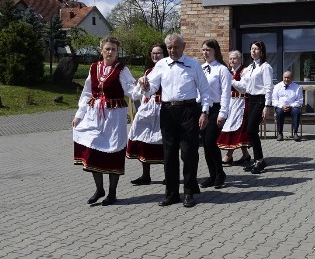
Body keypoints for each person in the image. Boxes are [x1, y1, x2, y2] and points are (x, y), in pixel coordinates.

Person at [140, 34, 211, 208]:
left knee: (188, 153)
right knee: (169, 153)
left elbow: (205, 91)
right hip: (167, 111)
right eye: (170, 47)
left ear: (183, 46)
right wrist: (146, 86)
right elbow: (152, 88)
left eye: (176, 47)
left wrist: (205, 112)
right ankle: (171, 194)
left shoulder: (194, 64)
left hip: (189, 110)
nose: (173, 50)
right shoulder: (161, 65)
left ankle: (188, 192)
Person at [72, 35, 138, 206]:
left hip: (114, 118)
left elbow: (132, 90)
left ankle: (112, 193)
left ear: (118, 52)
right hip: (94, 116)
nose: (110, 52)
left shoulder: (122, 69)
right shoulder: (93, 68)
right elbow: (87, 92)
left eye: (113, 49)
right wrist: (79, 115)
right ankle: (99, 189)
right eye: (107, 49)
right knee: (93, 149)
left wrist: (143, 88)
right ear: (101, 50)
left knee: (113, 151)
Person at [126, 43, 168, 185]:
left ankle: (168, 175)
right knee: (142, 138)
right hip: (147, 108)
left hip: (162, 108)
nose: (155, 56)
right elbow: (137, 92)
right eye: (153, 53)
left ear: (164, 55)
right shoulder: (148, 71)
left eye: (159, 53)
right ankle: (146, 175)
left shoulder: (168, 69)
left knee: (163, 141)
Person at [199, 39, 231, 189]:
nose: (205, 52)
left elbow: (226, 93)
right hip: (203, 109)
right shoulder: (201, 68)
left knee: (210, 142)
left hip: (216, 109)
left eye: (208, 50)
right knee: (206, 144)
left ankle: (220, 173)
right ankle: (212, 175)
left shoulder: (222, 69)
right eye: (203, 50)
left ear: (215, 51)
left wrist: (222, 113)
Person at [242, 40, 273, 174]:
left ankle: (259, 160)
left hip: (260, 100)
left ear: (262, 51)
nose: (252, 51)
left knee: (251, 129)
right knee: (251, 130)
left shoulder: (265, 67)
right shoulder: (250, 67)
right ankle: (258, 160)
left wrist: (267, 105)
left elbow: (268, 87)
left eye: (256, 49)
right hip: (251, 99)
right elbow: (244, 86)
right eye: (251, 49)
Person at [217, 50, 252, 165]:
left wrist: (231, 80)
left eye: (234, 58)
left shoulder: (245, 71)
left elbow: (244, 87)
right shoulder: (228, 71)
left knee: (235, 128)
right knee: (233, 128)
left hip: (241, 103)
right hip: (231, 103)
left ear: (240, 60)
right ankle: (245, 155)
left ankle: (228, 155)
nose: (232, 61)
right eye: (230, 58)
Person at [272, 71, 303, 142]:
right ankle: (280, 133)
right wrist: (282, 106)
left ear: (292, 78)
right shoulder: (277, 87)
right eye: (285, 77)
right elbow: (274, 100)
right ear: (282, 77)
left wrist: (291, 106)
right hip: (281, 107)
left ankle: (295, 133)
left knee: (296, 111)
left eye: (288, 78)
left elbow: (300, 101)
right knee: (279, 112)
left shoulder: (297, 87)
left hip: (292, 108)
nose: (286, 79)